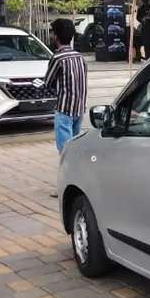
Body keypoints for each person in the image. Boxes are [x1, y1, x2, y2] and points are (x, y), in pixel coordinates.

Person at [44, 18, 88, 195]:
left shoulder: (57, 58)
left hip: (64, 110)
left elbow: (48, 82)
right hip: (79, 108)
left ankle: (65, 188)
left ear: (56, 36)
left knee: (65, 152)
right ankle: (77, 185)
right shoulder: (80, 57)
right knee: (74, 150)